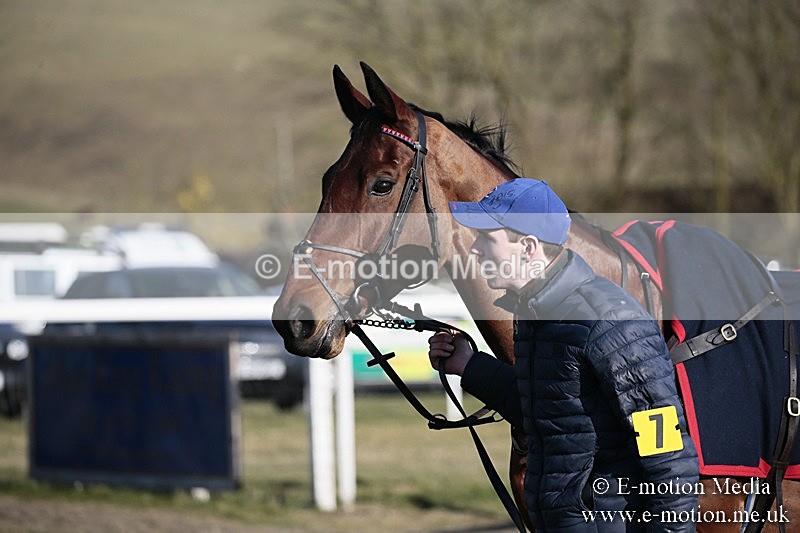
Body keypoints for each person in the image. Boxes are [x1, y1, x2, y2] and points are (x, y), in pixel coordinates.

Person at [429, 178, 699, 532]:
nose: (475, 249)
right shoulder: (535, 313)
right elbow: (550, 411)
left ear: (527, 247)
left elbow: (665, 449)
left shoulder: (609, 322)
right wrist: (468, 365)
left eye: (486, 238)